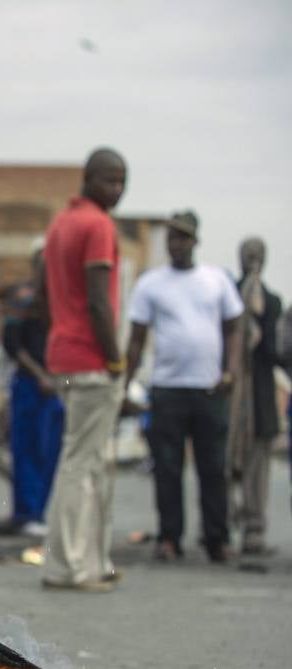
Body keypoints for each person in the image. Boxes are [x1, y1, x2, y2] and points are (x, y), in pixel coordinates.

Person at [125, 211, 243, 564]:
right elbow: (136, 339)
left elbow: (234, 327)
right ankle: (169, 538)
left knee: (213, 467)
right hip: (167, 389)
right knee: (167, 467)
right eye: (172, 237)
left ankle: (216, 539)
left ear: (195, 241)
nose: (177, 244)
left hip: (209, 389)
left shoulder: (216, 280)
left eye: (184, 237)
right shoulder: (151, 283)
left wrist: (231, 370)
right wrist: (126, 384)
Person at [39, 148, 127, 592]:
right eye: (109, 180)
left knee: (91, 463)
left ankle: (92, 562)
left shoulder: (60, 224)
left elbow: (44, 291)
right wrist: (115, 358)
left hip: (64, 358)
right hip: (91, 359)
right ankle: (67, 568)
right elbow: (98, 301)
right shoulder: (97, 225)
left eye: (122, 181)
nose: (118, 190)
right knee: (80, 462)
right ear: (88, 178)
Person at [226, 238, 282, 555]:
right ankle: (222, 524)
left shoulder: (272, 303)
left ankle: (254, 528)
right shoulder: (228, 295)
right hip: (231, 394)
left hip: (259, 397)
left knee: (258, 467)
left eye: (258, 255)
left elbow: (274, 352)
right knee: (226, 462)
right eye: (247, 254)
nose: (252, 260)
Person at [3, 253, 64, 538]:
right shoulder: (22, 300)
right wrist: (40, 375)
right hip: (30, 384)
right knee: (26, 449)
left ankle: (39, 511)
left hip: (56, 387)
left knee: (49, 451)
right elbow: (12, 344)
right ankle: (25, 513)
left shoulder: (63, 301)